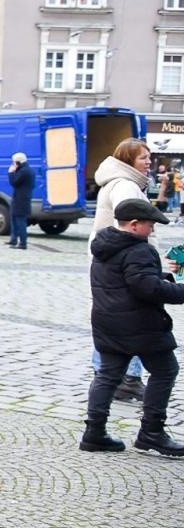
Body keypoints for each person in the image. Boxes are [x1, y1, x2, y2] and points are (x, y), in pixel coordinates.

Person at [83, 199, 184, 458]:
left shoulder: (105, 244)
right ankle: (152, 431)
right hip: (139, 326)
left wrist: (165, 277)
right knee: (165, 371)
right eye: (150, 225)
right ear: (135, 224)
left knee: (107, 375)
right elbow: (147, 289)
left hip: (108, 321)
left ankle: (94, 432)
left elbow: (127, 280)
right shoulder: (139, 249)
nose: (152, 230)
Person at [90, 137, 154, 400]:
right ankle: (127, 377)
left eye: (149, 157)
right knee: (133, 318)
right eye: (143, 157)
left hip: (113, 260)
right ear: (128, 160)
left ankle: (106, 373)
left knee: (110, 316)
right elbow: (129, 224)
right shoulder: (126, 184)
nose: (148, 162)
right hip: (123, 261)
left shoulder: (121, 181)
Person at [7, 151, 34, 249]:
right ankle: (13, 239)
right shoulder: (26, 170)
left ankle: (23, 243)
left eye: (14, 162)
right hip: (19, 198)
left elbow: (14, 182)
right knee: (14, 219)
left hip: (21, 200)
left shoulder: (24, 171)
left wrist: (11, 173)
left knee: (20, 221)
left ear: (18, 162)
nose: (13, 164)